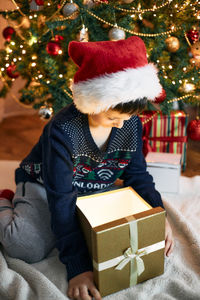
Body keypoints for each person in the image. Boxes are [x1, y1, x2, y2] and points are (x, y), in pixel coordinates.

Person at [0, 36, 174, 300]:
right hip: (46, 185)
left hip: (92, 187)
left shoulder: (129, 123)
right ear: (93, 102)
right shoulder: (62, 130)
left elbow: (137, 175)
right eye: (112, 117)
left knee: (109, 242)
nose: (120, 125)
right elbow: (61, 199)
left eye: (127, 119)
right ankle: (5, 201)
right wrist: (77, 268)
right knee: (25, 247)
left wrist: (157, 214)